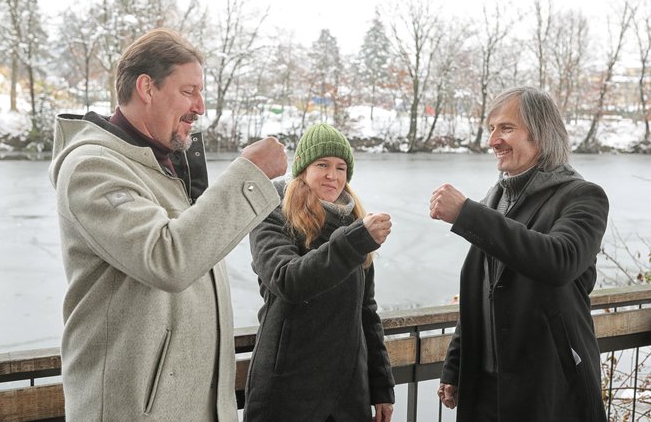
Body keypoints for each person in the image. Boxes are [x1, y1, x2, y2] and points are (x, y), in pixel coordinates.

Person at [48, 28, 287, 421]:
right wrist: (250, 175)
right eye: (190, 91)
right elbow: (169, 257)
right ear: (147, 87)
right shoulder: (91, 167)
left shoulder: (166, 164)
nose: (201, 106)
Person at [430, 87, 608, 422]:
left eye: (506, 128)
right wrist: (456, 366)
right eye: (491, 129)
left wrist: (468, 214)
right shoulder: (495, 199)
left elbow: (560, 260)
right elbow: (482, 292)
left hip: (550, 389)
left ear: (541, 133)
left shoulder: (583, 197)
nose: (493, 140)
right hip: (484, 389)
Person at [243, 123, 396, 422]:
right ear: (303, 169)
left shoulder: (355, 224)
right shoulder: (274, 213)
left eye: (341, 168)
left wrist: (380, 386)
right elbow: (288, 280)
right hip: (287, 392)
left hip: (347, 396)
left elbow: (366, 311)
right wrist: (354, 241)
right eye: (322, 164)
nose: (332, 175)